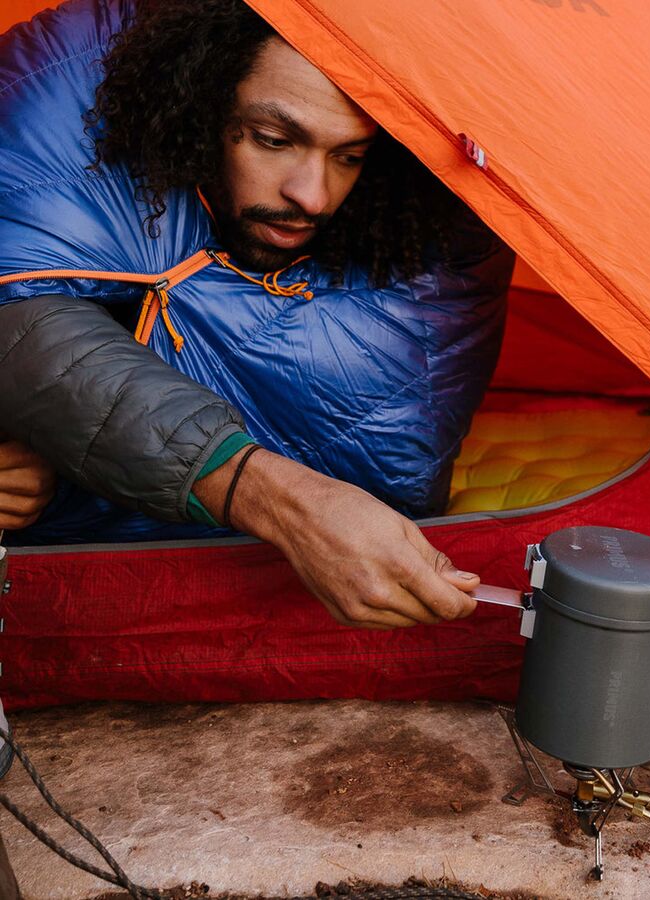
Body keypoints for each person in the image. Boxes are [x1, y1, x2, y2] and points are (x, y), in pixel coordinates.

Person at [0, 0, 514, 630]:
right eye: (274, 140)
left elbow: (393, 459)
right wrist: (280, 499)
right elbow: (25, 321)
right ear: (200, 103)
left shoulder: (425, 244)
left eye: (349, 156)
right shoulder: (74, 109)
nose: (312, 196)